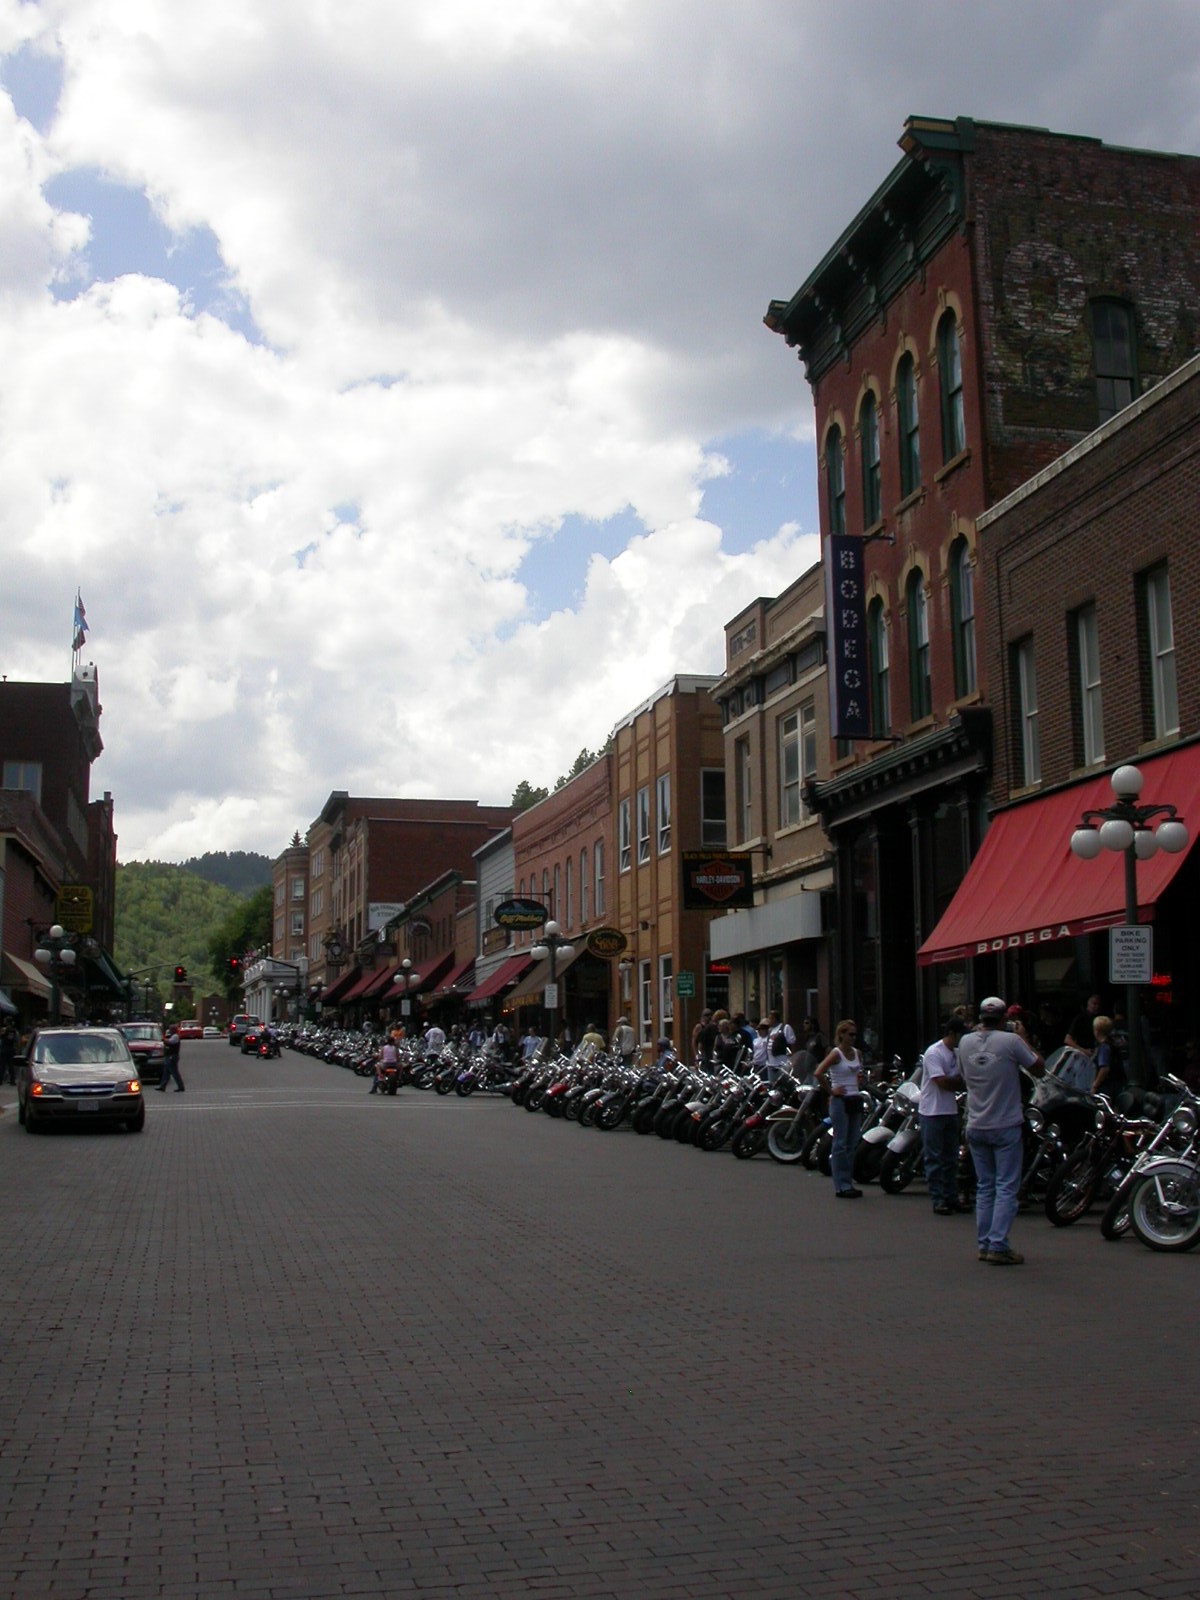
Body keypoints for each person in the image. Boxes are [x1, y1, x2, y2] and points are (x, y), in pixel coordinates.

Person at [958, 995, 1044, 1265]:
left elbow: (963, 1076)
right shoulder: (1011, 1041)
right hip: (1005, 1123)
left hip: (976, 1123)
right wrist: (1024, 1038)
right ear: (1005, 1017)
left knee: (985, 1187)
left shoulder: (965, 1042)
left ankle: (984, 1244)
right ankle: (998, 1244)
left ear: (981, 1017)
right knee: (1006, 1187)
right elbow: (1039, 1068)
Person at [919, 1016, 965, 1214]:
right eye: (960, 1035)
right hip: (932, 1111)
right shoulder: (934, 1052)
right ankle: (938, 1198)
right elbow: (942, 1082)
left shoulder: (958, 1053)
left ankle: (951, 1197)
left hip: (950, 1110)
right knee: (934, 1157)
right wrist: (960, 1083)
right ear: (951, 1033)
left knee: (951, 1158)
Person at [814, 1019, 864, 1198]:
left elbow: (859, 1073)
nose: (853, 1037)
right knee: (840, 1143)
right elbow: (819, 1072)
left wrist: (860, 1082)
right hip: (840, 1100)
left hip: (854, 1098)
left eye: (855, 1034)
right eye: (850, 1034)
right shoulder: (836, 1053)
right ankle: (841, 1185)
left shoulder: (857, 1053)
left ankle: (848, 1181)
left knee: (852, 1142)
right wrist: (831, 1091)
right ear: (841, 1034)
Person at [1090, 1015, 1127, 1100]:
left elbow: (1105, 1068)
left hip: (1108, 1086)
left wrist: (1095, 1085)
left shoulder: (1104, 1047)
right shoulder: (1112, 1042)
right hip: (1117, 1083)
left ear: (1096, 1031)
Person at [157, 1023, 185, 1092]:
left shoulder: (175, 1036)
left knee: (174, 1072)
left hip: (172, 1056)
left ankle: (181, 1087)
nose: (170, 1030)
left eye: (171, 1029)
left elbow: (170, 1042)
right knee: (166, 1072)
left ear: (173, 1030)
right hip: (169, 1056)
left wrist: (163, 1039)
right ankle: (163, 1086)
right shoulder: (172, 1036)